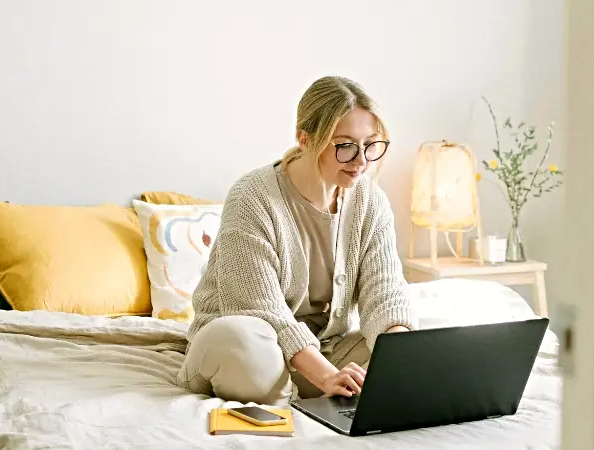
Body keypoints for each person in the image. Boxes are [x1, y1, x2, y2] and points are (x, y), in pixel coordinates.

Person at [177, 76, 417, 407]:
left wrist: (400, 359)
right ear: (305, 139)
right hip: (254, 348)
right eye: (345, 146)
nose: (361, 161)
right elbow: (263, 312)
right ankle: (307, 398)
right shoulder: (252, 197)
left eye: (371, 145)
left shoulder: (370, 200)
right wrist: (327, 377)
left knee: (418, 337)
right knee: (240, 340)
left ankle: (324, 398)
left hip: (326, 350)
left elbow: (385, 294)